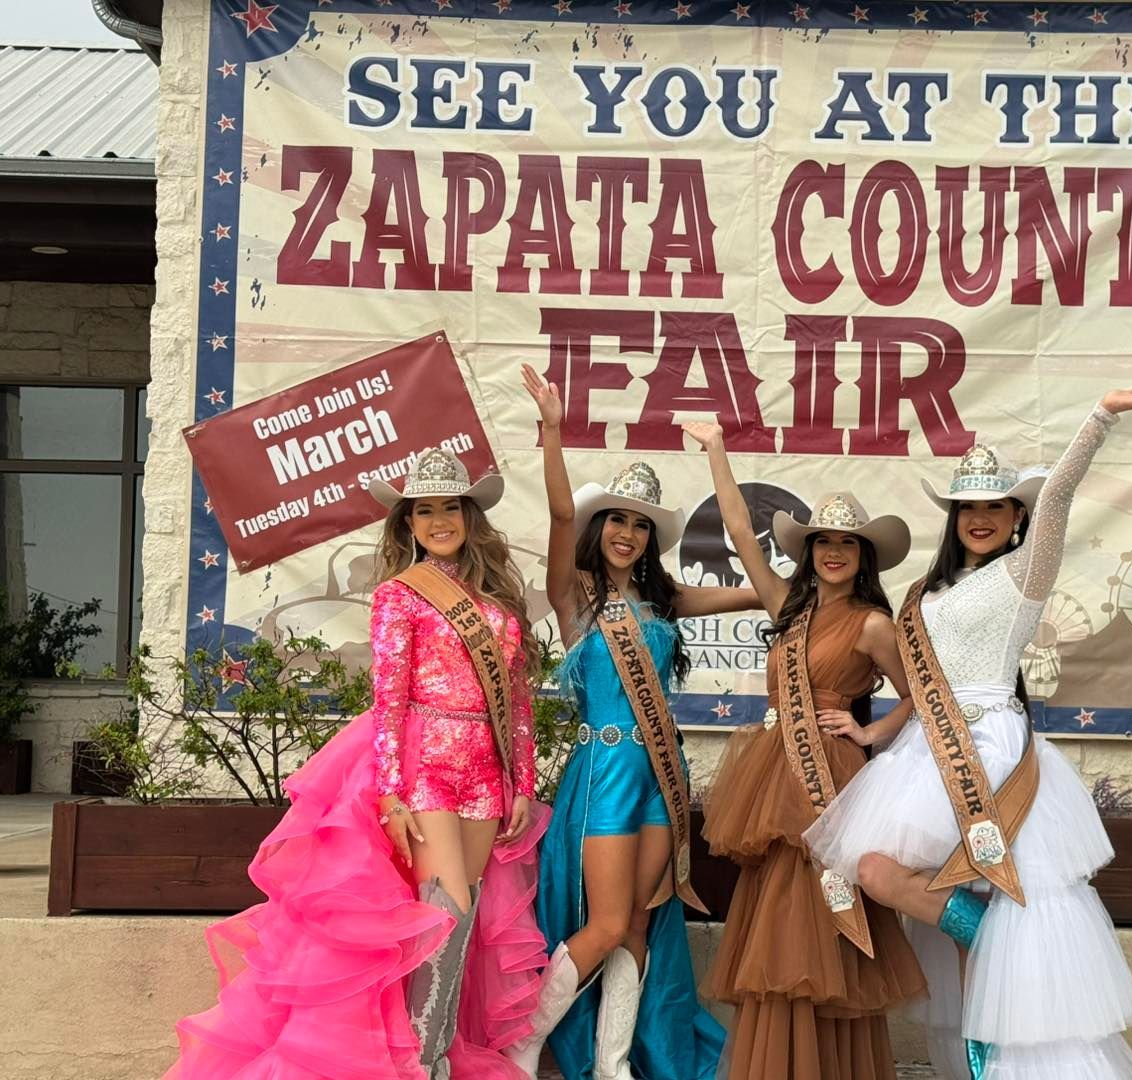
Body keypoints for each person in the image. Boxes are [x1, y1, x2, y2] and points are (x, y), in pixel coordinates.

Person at [804, 389, 1132, 1080]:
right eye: (968, 507)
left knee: (1003, 884)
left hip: (993, 749)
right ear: (954, 517)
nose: (980, 518)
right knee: (877, 868)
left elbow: (1060, 497)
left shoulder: (1024, 573)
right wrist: (873, 729)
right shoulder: (925, 593)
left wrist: (1098, 416)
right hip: (926, 749)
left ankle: (1012, 1043)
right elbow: (917, 691)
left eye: (995, 507)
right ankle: (986, 939)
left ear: (1015, 518)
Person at [167, 446, 547, 1080]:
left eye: (449, 508)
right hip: (425, 762)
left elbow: (519, 704)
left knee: (469, 909)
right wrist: (392, 796)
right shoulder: (401, 595)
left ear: (469, 515)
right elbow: (389, 699)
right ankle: (425, 1065)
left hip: (485, 768)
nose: (438, 521)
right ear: (408, 522)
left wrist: (524, 785)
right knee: (443, 907)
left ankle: (438, 1051)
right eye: (423, 512)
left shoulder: (498, 601)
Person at [507, 366, 761, 1080]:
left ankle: (614, 1064)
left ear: (653, 539)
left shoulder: (665, 600)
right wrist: (553, 431)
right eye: (616, 519)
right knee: (609, 922)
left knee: (643, 923)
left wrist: (717, 453)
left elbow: (762, 591)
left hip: (661, 774)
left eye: (641, 525)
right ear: (600, 527)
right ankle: (525, 1043)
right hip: (607, 769)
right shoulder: (575, 596)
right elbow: (560, 516)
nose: (626, 532)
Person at [685, 421, 928, 1080]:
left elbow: (924, 697)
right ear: (810, 549)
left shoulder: (874, 624)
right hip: (771, 775)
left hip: (830, 775)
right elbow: (739, 533)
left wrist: (870, 732)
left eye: (847, 543)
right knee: (776, 918)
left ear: (863, 554)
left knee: (821, 914)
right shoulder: (786, 607)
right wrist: (716, 452)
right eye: (824, 542)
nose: (834, 552)